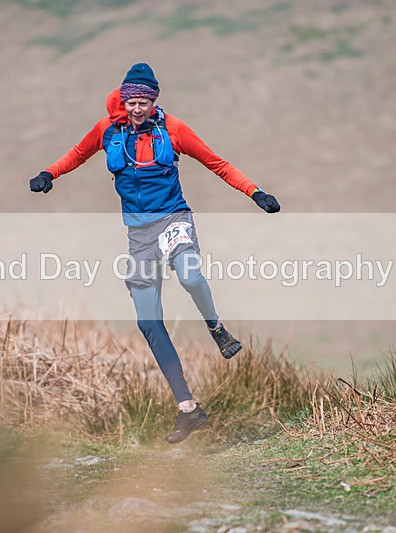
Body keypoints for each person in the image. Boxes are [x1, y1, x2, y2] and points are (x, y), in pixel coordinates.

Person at [29, 63, 280, 443]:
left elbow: (218, 164)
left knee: (191, 276)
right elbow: (76, 154)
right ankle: (188, 409)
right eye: (131, 101)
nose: (136, 108)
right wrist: (49, 174)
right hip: (139, 234)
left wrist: (255, 192)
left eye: (143, 101)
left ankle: (216, 329)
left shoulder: (174, 130)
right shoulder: (107, 130)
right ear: (124, 100)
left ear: (154, 100)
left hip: (174, 219)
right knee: (147, 322)